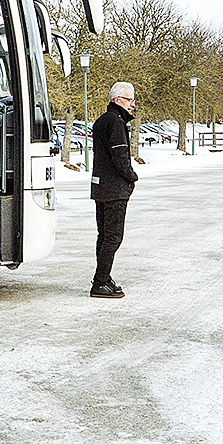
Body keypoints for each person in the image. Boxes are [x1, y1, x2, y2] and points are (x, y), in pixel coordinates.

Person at [89, 81, 139, 298]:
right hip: (114, 189)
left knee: (104, 235)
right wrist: (131, 177)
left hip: (101, 187)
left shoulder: (102, 121)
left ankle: (103, 277)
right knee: (113, 237)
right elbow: (120, 156)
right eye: (130, 100)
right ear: (117, 100)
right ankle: (100, 282)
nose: (133, 105)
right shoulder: (116, 122)